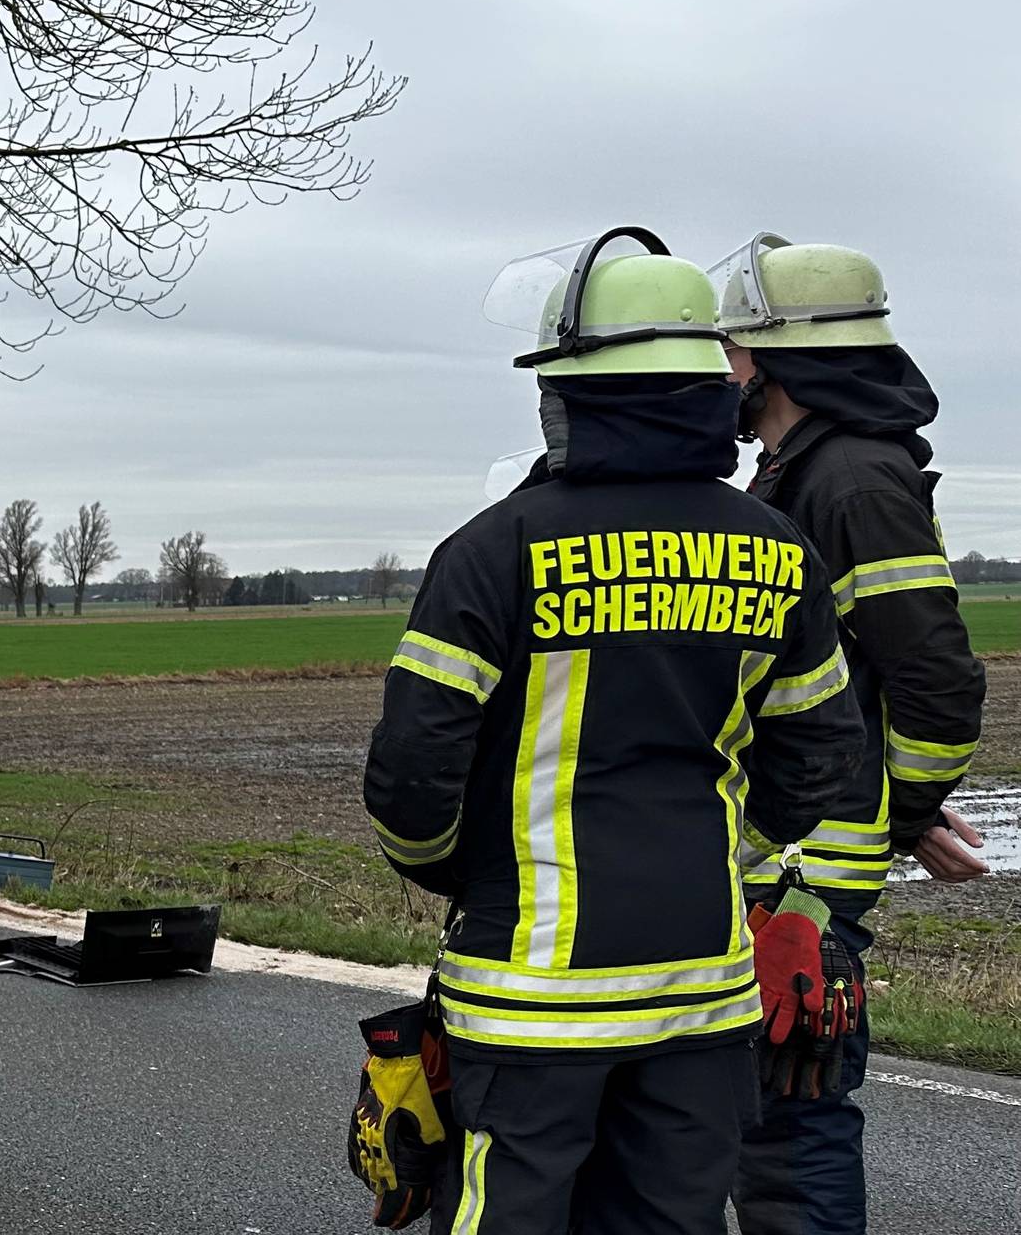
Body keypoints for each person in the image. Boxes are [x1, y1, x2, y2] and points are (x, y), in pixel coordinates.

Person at [363, 228, 864, 1234]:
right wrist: (722, 849)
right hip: (703, 988)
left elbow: (411, 777)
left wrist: (465, 874)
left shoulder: (493, 548)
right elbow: (820, 753)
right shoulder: (777, 549)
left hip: (530, 991)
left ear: (573, 393)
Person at [711, 236, 993, 1233]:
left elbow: (932, 678)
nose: (722, 370)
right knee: (755, 1114)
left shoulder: (850, 479)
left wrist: (902, 810)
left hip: (805, 869)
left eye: (733, 350)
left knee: (787, 1123)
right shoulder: (803, 470)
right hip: (782, 849)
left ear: (778, 358)